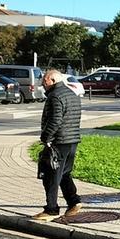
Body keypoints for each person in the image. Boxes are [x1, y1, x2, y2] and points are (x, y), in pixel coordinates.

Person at [32, 69, 83, 221]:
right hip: (72, 139)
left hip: (59, 142)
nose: (42, 84)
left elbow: (55, 120)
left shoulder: (55, 96)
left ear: (53, 80)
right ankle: (74, 201)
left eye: (44, 81)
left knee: (51, 176)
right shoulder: (71, 93)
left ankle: (51, 209)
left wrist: (46, 137)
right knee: (64, 173)